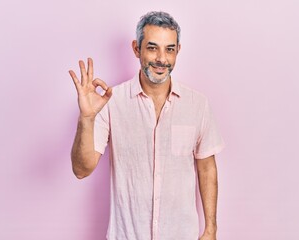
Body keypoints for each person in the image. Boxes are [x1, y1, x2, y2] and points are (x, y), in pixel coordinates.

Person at [68, 11, 224, 240]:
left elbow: (207, 167)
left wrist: (211, 228)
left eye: (169, 49)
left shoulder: (197, 105)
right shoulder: (111, 103)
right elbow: (82, 170)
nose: (162, 58)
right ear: (136, 48)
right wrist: (87, 118)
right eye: (152, 48)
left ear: (177, 51)